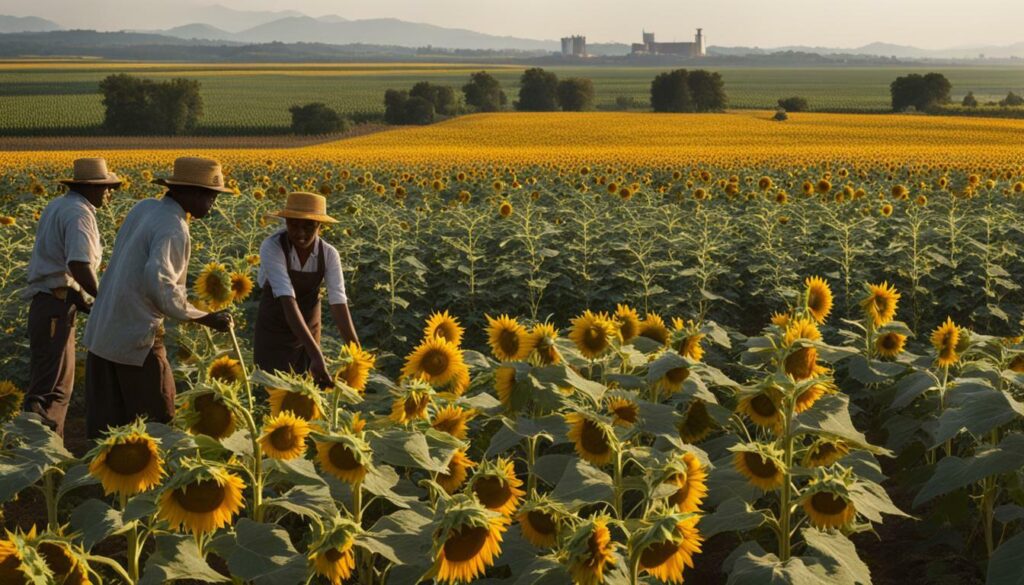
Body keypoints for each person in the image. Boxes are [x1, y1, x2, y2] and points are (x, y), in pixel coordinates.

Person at [82, 156, 233, 440]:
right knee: (157, 424)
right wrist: (203, 317)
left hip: (104, 331)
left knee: (109, 428)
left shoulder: (145, 208)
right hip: (137, 337)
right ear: (188, 192)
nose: (212, 202)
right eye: (209, 195)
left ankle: (102, 485)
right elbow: (160, 284)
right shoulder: (174, 227)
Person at [22, 158, 120, 437]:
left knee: (53, 381)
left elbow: (58, 262)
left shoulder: (59, 205)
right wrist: (102, 299)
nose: (108, 193)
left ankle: (47, 457)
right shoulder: (80, 214)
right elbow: (78, 263)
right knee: (50, 391)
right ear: (91, 188)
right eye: (106, 188)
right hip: (55, 307)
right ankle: (40, 459)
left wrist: (79, 298)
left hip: (54, 302)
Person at [254, 191, 359, 387]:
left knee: (307, 390)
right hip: (274, 326)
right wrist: (316, 355)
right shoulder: (272, 247)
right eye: (293, 224)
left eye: (308, 226)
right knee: (270, 388)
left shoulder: (328, 254)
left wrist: (357, 353)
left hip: (309, 328)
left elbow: (338, 302)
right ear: (286, 223)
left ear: (320, 226)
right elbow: (287, 298)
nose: (300, 233)